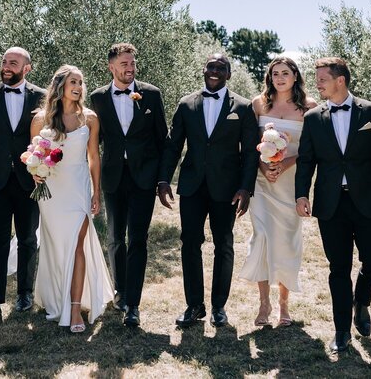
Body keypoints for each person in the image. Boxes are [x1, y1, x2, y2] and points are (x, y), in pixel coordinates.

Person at [295, 57, 371, 352]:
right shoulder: (313, 118)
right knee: (338, 268)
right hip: (331, 204)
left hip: (367, 200)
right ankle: (341, 330)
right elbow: (306, 161)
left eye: (322, 79)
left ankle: (361, 301)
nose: (316, 84)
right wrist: (301, 194)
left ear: (339, 80)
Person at [158, 54, 260, 328]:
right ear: (204, 70)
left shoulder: (243, 106)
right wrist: (164, 180)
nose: (215, 71)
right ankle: (194, 306)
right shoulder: (186, 103)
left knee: (223, 244)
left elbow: (250, 153)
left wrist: (246, 188)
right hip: (191, 186)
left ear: (228, 74)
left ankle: (218, 307)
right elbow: (173, 145)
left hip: (227, 189)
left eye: (221, 68)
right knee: (190, 243)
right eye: (211, 67)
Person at [89, 43, 168, 327]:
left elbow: (163, 140)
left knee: (138, 239)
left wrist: (162, 179)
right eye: (123, 63)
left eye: (132, 63)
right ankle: (120, 291)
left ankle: (133, 303)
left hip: (143, 178)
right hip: (112, 177)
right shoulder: (97, 99)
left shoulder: (152, 94)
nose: (129, 67)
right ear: (111, 66)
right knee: (114, 238)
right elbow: (92, 145)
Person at [30, 65, 114, 333]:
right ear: (60, 86)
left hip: (77, 190)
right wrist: (35, 173)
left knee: (77, 245)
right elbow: (34, 154)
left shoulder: (89, 118)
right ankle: (56, 297)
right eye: (72, 82)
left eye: (80, 82)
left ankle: (75, 308)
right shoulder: (40, 119)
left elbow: (93, 158)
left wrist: (96, 191)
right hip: (51, 193)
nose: (78, 86)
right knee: (56, 247)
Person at [240, 56, 317, 327]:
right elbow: (250, 144)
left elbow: (310, 150)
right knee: (261, 237)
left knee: (286, 241)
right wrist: (263, 165)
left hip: (291, 183)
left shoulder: (309, 108)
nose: (280, 78)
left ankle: (284, 304)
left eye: (286, 73)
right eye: (275, 74)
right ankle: (264, 303)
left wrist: (286, 162)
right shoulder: (259, 104)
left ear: (295, 76)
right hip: (262, 183)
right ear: (269, 78)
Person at [0, 47, 46, 321]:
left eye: (12, 63)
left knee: (28, 238)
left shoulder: (41, 96)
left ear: (26, 68)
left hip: (31, 179)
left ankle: (25, 294)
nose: (6, 66)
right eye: (4, 61)